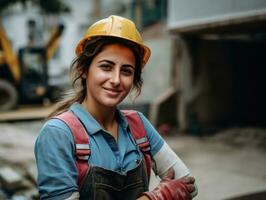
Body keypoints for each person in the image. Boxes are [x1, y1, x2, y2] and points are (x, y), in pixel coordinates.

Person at [34, 15, 198, 200]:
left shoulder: (138, 125)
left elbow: (188, 184)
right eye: (106, 67)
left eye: (126, 71)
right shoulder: (59, 134)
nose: (116, 80)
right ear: (83, 69)